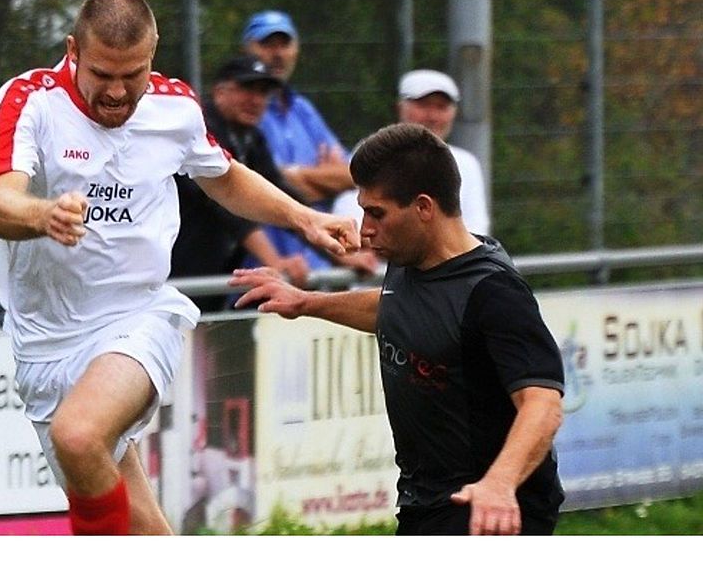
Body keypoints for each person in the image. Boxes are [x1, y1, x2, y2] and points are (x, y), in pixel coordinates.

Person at [0, 0, 359, 535]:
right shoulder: (29, 102)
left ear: (152, 57)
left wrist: (303, 219)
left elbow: (223, 175)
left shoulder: (174, 107)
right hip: (44, 342)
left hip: (138, 317)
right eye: (102, 74)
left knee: (80, 435)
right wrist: (43, 215)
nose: (115, 92)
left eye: (132, 75)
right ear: (73, 52)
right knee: (140, 523)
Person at [230, 123, 565, 535]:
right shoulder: (412, 259)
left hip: (486, 510)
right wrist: (306, 302)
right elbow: (397, 308)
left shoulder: (493, 291)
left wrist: (499, 484)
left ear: (424, 207)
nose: (365, 229)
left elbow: (543, 402)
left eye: (377, 213)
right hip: (427, 502)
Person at [242, 10, 378, 275]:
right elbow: (260, 185)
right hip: (264, 271)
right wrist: (325, 181)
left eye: (284, 44)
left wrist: (295, 176)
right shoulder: (246, 112)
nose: (277, 53)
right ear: (247, 48)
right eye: (267, 44)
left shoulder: (303, 110)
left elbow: (356, 175)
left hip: (320, 269)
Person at [171, 55, 309, 312]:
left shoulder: (251, 137)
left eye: (263, 92)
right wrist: (276, 262)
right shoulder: (199, 130)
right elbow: (224, 206)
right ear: (219, 91)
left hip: (212, 282)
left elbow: (281, 193)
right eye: (247, 88)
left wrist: (335, 242)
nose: (256, 100)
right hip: (176, 281)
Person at [397, 69, 490, 235]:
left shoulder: (467, 164)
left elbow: (476, 229)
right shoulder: (373, 155)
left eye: (441, 107)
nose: (433, 116)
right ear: (401, 108)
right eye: (423, 105)